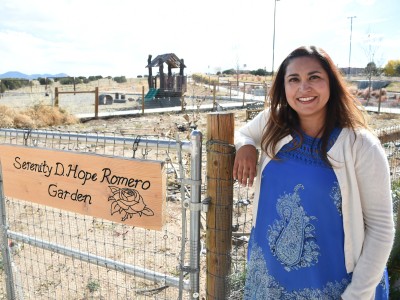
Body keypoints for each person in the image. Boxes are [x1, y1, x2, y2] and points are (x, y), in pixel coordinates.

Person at [233, 46, 394, 299]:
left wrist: (357, 294)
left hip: (336, 285)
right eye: (293, 79)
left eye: (314, 77)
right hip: (269, 280)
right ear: (283, 88)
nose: (303, 88)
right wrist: (245, 147)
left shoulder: (360, 146)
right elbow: (242, 133)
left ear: (331, 82)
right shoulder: (272, 123)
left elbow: (381, 228)